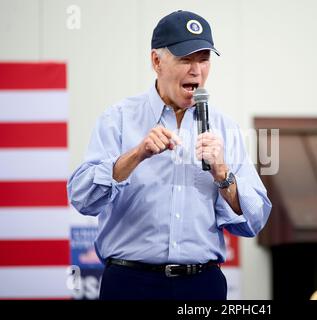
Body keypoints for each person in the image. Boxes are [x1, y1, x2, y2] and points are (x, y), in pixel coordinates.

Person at [67, 10, 272, 300]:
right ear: (156, 61)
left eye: (203, 59)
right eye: (185, 59)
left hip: (202, 285)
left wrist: (224, 175)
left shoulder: (225, 127)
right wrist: (136, 155)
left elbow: (256, 219)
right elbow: (82, 197)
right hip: (130, 284)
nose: (196, 70)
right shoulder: (118, 119)